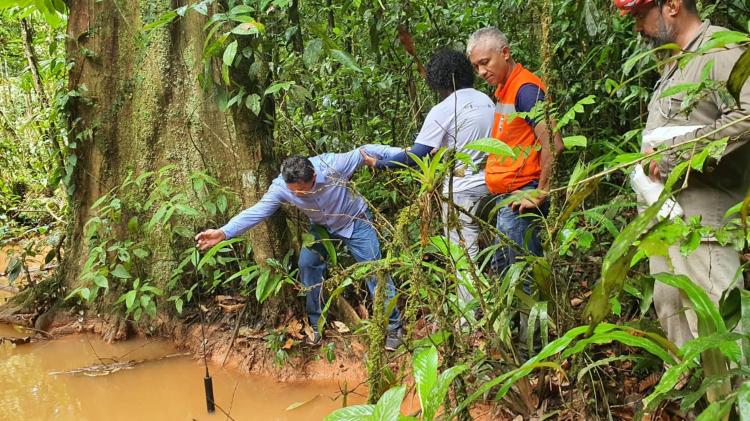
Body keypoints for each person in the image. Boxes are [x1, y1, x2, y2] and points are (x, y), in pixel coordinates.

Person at [614, 0, 750, 347]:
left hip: (702, 219)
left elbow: (746, 118)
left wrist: (672, 156)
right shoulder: (674, 63)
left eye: (640, 16)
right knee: (672, 305)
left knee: (715, 321)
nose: (637, 28)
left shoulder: (721, 49)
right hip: (667, 216)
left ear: (672, 5)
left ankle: (731, 400)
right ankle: (692, 393)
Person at [195, 145, 404, 350]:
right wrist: (224, 232)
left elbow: (365, 150)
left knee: (375, 271)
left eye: (304, 190)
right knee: (307, 264)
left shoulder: (332, 165)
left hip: (355, 221)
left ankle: (394, 328)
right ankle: (317, 324)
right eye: (295, 192)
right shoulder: (280, 187)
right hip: (322, 228)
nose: (300, 195)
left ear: (313, 176)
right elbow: (258, 211)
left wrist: (411, 152)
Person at [360, 49, 495, 311]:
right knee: (491, 251)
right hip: (492, 185)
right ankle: (494, 311)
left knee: (464, 258)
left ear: (439, 80)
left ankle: (470, 322)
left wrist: (380, 164)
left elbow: (416, 156)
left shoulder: (443, 109)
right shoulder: (486, 100)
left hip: (462, 191)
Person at [466, 27, 564, 278]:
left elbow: (554, 141)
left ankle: (542, 318)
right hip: (506, 199)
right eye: (476, 67)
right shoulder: (504, 89)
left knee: (526, 277)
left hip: (521, 195)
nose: (481, 72)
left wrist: (541, 190)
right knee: (507, 276)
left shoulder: (526, 90)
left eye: (485, 63)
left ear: (505, 53)